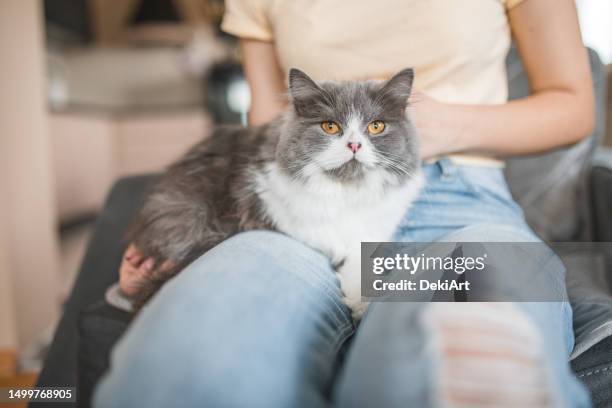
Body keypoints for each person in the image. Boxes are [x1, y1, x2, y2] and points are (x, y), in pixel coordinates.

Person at [94, 0, 595, 406]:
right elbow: (271, 120)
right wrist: (184, 229)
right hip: (301, 210)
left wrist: (446, 126)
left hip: (458, 198)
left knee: (470, 326)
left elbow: (574, 105)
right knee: (206, 324)